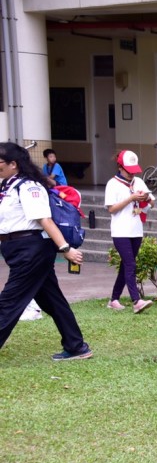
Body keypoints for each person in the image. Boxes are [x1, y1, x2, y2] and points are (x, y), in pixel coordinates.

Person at [0, 143, 91, 361]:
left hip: (31, 251)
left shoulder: (29, 187)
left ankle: (76, 345)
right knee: (52, 300)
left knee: (9, 301)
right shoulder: (8, 186)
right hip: (17, 250)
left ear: (14, 164)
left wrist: (65, 249)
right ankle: (76, 346)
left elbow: (45, 220)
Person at [105, 150, 154, 313]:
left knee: (126, 265)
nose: (132, 174)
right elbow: (111, 209)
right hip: (120, 231)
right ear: (120, 167)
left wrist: (146, 198)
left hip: (136, 230)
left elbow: (152, 202)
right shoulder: (112, 184)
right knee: (130, 264)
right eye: (129, 170)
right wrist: (131, 199)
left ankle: (114, 299)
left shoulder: (138, 181)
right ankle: (136, 300)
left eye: (134, 170)